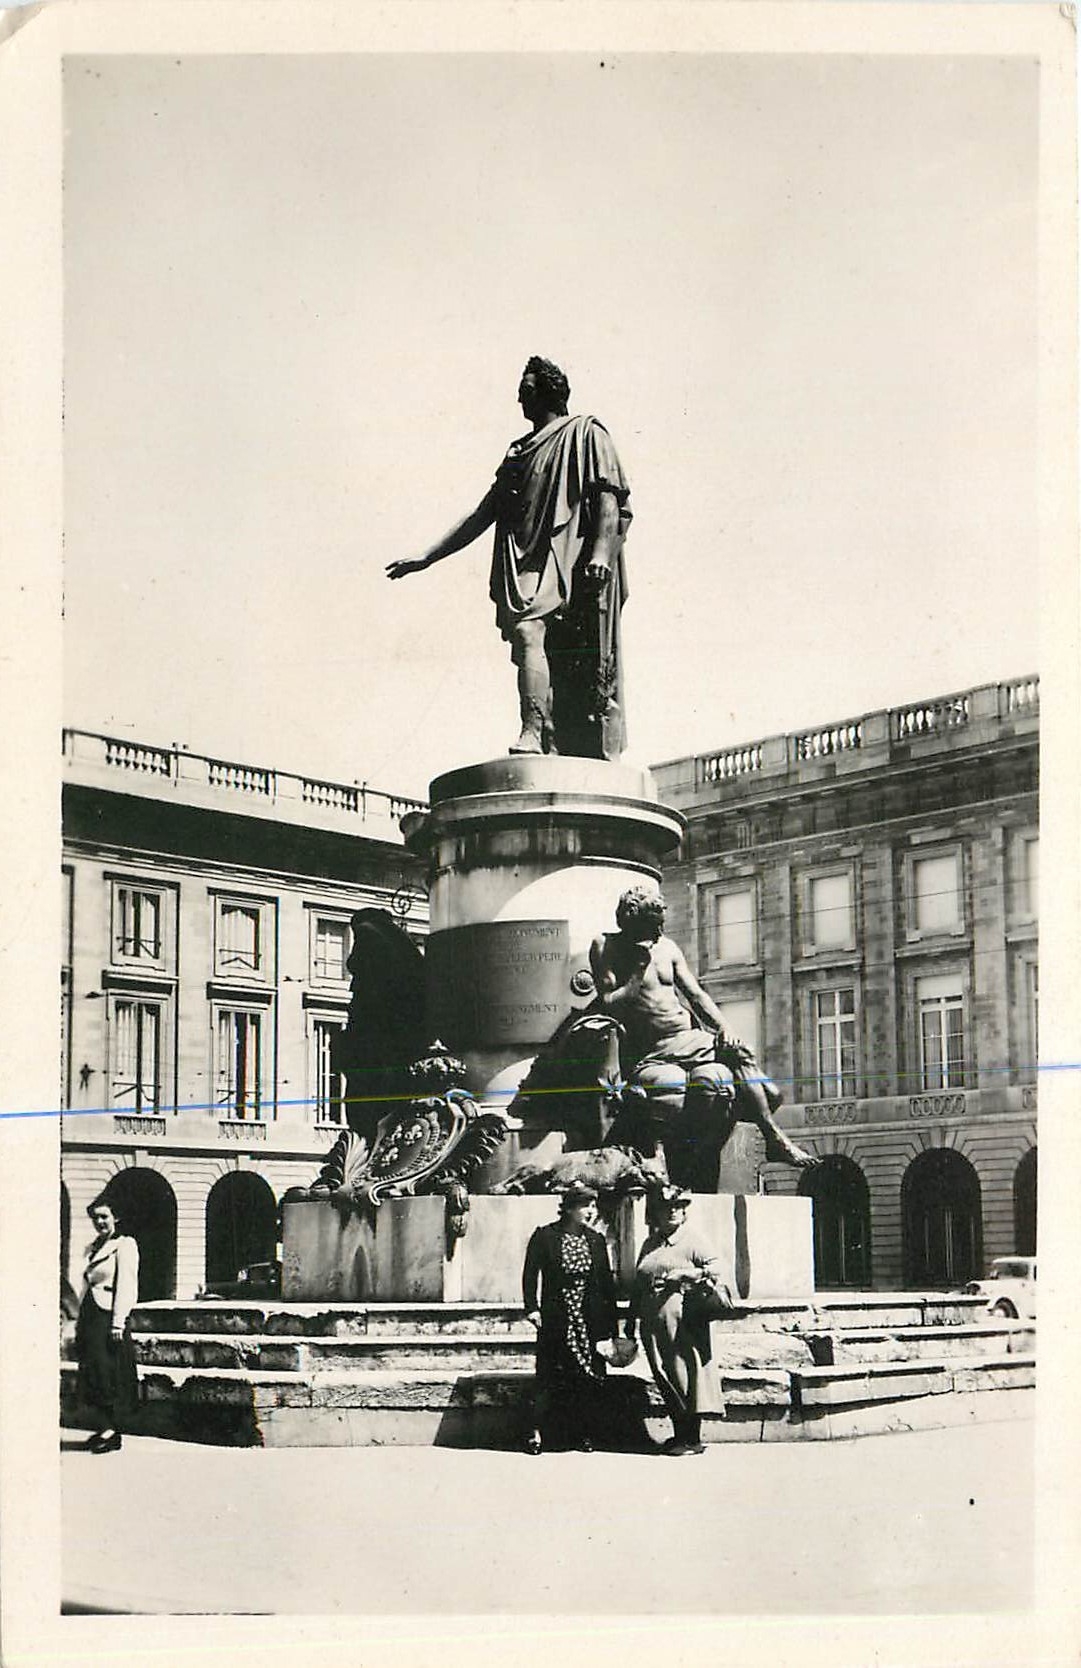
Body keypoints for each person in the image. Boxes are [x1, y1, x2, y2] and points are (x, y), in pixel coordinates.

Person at [387, 356, 632, 760]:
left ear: (550, 391)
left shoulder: (587, 433)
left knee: (538, 637)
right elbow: (485, 512)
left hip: (572, 556)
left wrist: (602, 554)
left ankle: (534, 731)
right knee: (529, 636)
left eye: (528, 391)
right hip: (527, 557)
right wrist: (427, 557)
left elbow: (609, 497)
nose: (520, 400)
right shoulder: (518, 451)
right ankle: (540, 732)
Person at [590, 885, 815, 1180]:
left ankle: (773, 1136)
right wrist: (637, 971)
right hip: (654, 1050)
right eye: (653, 925)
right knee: (701, 1088)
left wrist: (724, 1028)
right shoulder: (606, 946)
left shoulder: (668, 948)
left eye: (662, 924)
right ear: (632, 920)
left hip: (689, 1038)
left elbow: (696, 995)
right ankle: (772, 1138)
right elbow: (609, 1005)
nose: (659, 932)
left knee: (752, 1068)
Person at [625, 1185, 730, 1456]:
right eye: (666, 1207)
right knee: (663, 1373)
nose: (673, 1211)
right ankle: (679, 1433)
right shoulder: (652, 1242)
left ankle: (691, 1437)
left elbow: (718, 1268)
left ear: (684, 1212)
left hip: (681, 1319)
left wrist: (686, 1274)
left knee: (683, 1373)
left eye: (678, 1207)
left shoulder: (692, 1239)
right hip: (651, 1320)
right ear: (655, 1213)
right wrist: (630, 1319)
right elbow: (639, 1281)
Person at [521, 1182, 618, 1454]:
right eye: (585, 1205)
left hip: (589, 1318)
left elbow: (606, 1285)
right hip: (557, 1315)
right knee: (549, 1377)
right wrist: (532, 1308)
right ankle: (536, 1433)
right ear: (569, 1208)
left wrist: (611, 1326)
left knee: (588, 1378)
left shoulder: (596, 1240)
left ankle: (585, 1433)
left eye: (593, 1205)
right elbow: (530, 1275)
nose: (590, 1211)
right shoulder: (545, 1236)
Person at [74, 1197, 140, 1453]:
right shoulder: (92, 1247)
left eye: (104, 1217)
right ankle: (103, 1427)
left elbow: (127, 1286)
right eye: (96, 1218)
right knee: (93, 1372)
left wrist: (118, 1323)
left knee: (109, 1373)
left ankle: (113, 1432)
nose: (100, 1222)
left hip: (108, 1317)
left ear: (116, 1218)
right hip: (90, 1315)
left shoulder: (124, 1245)